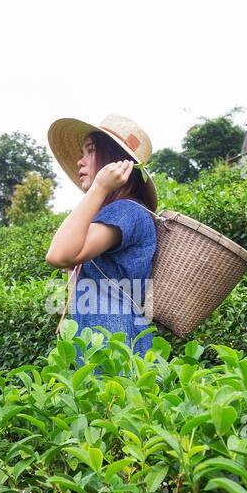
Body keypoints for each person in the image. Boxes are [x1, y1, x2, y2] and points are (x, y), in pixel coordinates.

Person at [45, 113, 161, 377]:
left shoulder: (128, 212)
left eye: (90, 151)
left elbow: (58, 255)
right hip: (100, 342)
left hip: (116, 348)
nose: (80, 160)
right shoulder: (112, 215)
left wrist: (98, 189)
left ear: (114, 162)